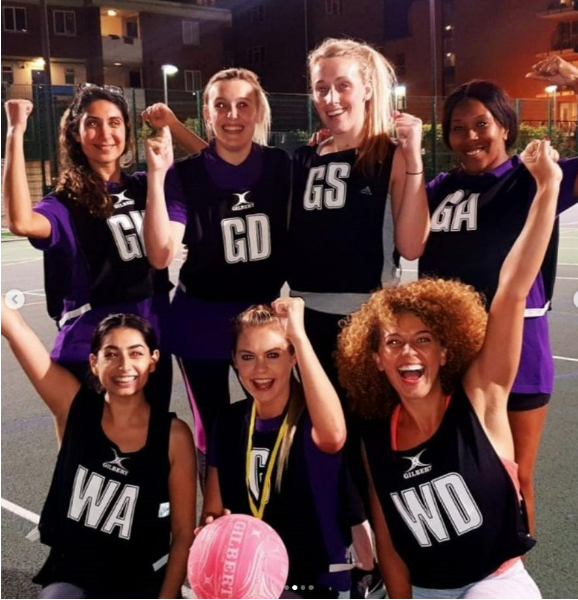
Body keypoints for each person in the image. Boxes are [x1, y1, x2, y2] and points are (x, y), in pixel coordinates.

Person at [337, 139, 562, 598]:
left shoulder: (480, 397)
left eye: (424, 340)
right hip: (425, 590)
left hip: (494, 582)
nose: (409, 353)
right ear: (376, 359)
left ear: (445, 350)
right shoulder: (377, 437)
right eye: (393, 343)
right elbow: (392, 546)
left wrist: (548, 187)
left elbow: (512, 291)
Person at [401, 56, 578, 533]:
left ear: (505, 127)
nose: (470, 137)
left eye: (481, 124)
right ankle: (467, 565)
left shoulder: (534, 178)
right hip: (450, 346)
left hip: (521, 344)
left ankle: (511, 575)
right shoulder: (438, 188)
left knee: (515, 475)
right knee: (453, 470)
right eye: (458, 128)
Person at [143, 68, 291, 483]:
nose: (232, 114)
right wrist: (157, 176)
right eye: (221, 105)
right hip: (200, 319)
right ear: (207, 114)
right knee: (212, 426)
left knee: (274, 415)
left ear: (258, 110)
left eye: (243, 104)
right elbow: (160, 254)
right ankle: (218, 509)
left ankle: (275, 506)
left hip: (261, 320)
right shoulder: (184, 175)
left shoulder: (282, 166)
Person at [0, 302, 197, 599]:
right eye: (111, 354)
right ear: (94, 362)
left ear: (153, 360)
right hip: (75, 576)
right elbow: (14, 328)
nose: (124, 366)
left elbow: (183, 534)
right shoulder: (74, 409)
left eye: (136, 353)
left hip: (141, 582)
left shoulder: (174, 436)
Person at [2, 87, 178, 402]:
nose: (105, 133)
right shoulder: (66, 202)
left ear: (126, 129)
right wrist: (16, 131)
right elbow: (21, 222)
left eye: (114, 122)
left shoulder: (147, 183)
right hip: (94, 345)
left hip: (151, 338)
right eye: (93, 123)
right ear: (76, 132)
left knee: (153, 440)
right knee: (93, 445)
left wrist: (170, 130)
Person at [288, 37, 427, 385]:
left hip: (365, 319)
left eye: (342, 86)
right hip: (306, 318)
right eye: (321, 89)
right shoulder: (304, 158)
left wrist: (414, 159)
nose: (330, 99)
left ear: (366, 89)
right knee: (320, 433)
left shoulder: (391, 155)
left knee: (367, 433)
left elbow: (411, 247)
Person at [202, 297, 352, 598]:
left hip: (311, 583)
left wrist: (298, 333)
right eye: (247, 357)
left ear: (293, 357)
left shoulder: (314, 418)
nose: (260, 369)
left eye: (273, 355)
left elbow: (334, 436)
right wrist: (212, 529)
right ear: (233, 360)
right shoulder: (229, 421)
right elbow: (213, 510)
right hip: (248, 581)